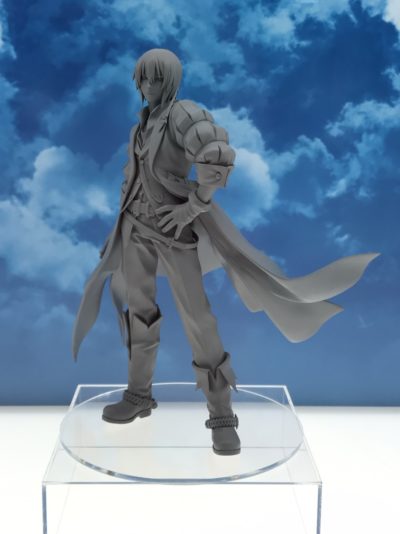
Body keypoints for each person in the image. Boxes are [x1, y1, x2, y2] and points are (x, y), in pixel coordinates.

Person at [72, 48, 378, 456]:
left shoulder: (184, 114)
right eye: (143, 78)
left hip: (173, 231)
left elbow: (216, 159)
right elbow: (132, 181)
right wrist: (117, 233)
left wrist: (192, 207)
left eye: (157, 78)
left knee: (198, 319)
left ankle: (221, 415)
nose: (148, 85)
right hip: (135, 230)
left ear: (171, 81)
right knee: (139, 313)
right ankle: (139, 395)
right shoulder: (139, 127)